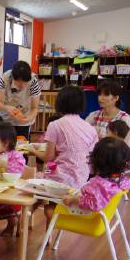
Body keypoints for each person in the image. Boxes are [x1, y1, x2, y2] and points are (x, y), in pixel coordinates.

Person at [28, 86, 98, 227]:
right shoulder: (90, 128)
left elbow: (48, 157)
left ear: (59, 103)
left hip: (62, 181)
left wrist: (33, 150)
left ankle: (22, 222)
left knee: (30, 183)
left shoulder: (55, 124)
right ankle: (32, 222)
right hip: (81, 180)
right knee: (40, 189)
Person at [62, 137, 130, 211]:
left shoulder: (99, 184)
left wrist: (74, 199)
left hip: (86, 217)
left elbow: (93, 204)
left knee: (51, 210)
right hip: (105, 215)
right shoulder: (122, 180)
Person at [0, 60, 41, 141]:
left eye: (25, 82)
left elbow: (35, 107)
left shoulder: (33, 81)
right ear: (13, 76)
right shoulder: (4, 79)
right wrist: (7, 108)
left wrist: (29, 118)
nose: (23, 85)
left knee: (23, 146)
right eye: (19, 82)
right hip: (7, 118)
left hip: (25, 115)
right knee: (6, 145)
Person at [85, 81, 130, 146]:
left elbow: (125, 146)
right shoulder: (93, 115)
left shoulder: (124, 118)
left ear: (116, 98)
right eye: (99, 94)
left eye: (105, 95)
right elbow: (83, 133)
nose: (100, 98)